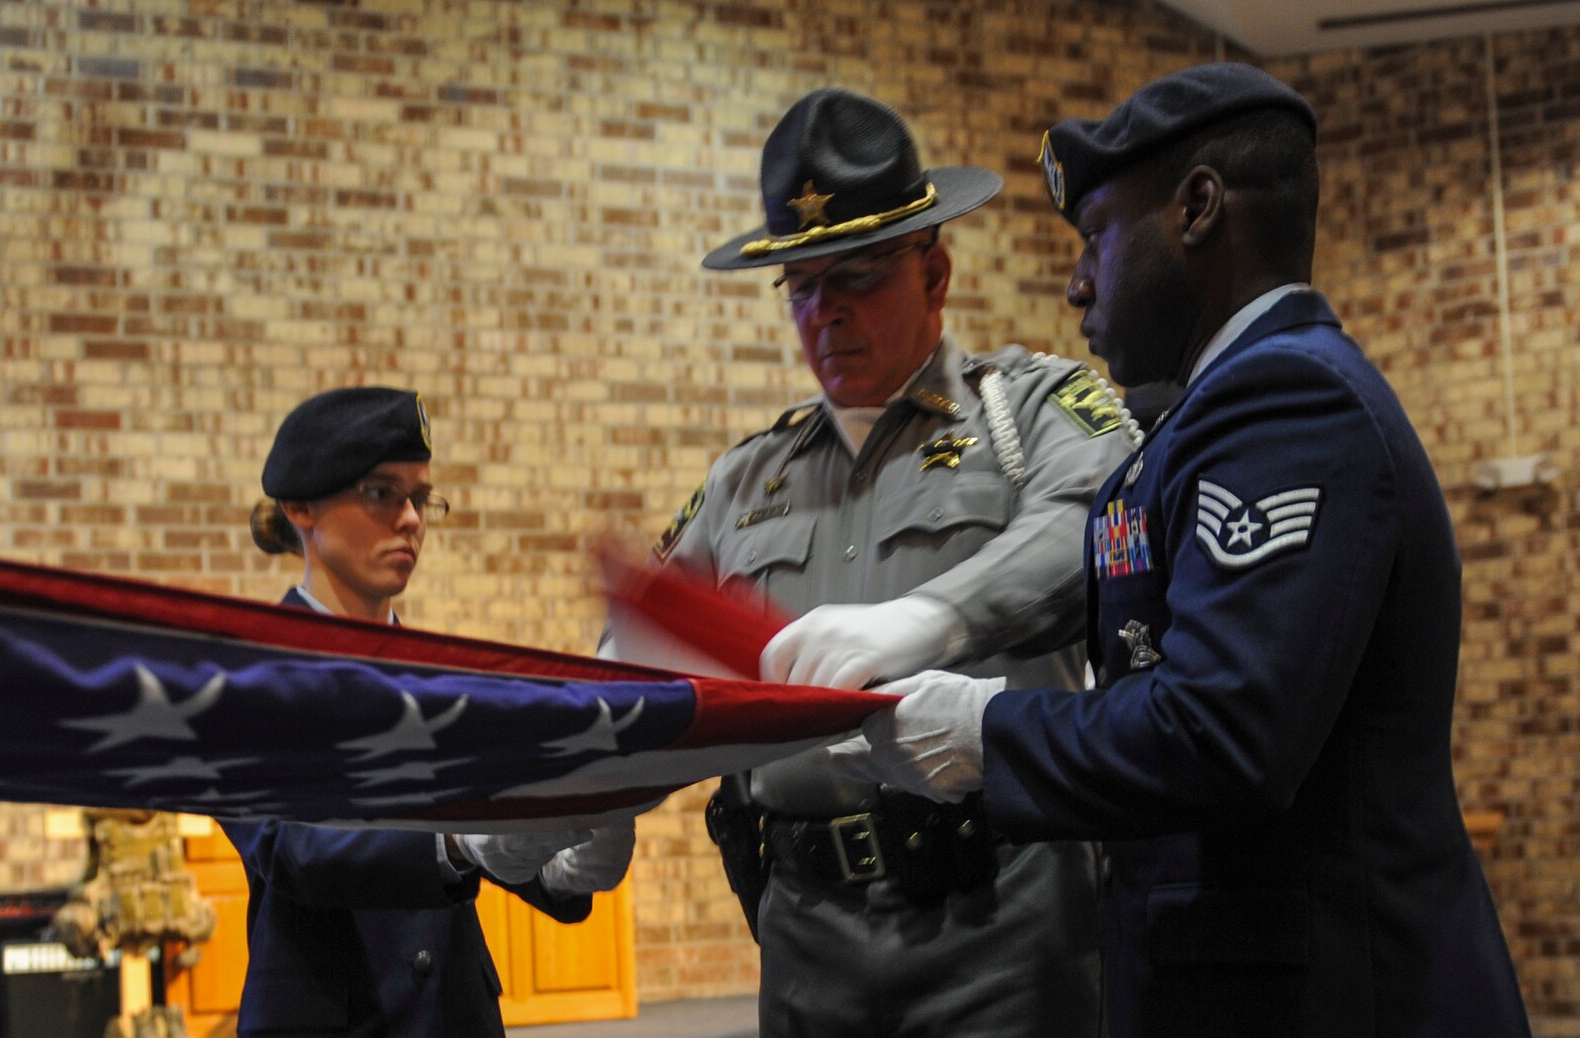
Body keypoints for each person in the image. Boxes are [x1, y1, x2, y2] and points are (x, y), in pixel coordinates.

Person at [834, 64, 1532, 1036]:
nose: (1076, 283)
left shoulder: (1285, 404)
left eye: (1094, 237)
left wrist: (980, 733)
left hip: (1325, 996)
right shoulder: (1209, 415)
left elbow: (1222, 731)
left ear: (1197, 209)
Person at [643, 88, 1136, 1037]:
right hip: (805, 933)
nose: (824, 312)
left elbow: (1092, 516)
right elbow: (650, 648)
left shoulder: (1029, 412)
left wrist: (931, 619)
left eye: (856, 277)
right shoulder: (747, 480)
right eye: (801, 288)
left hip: (1000, 929)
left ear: (936, 272)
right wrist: (580, 787)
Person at [224, 386, 637, 1038]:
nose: (412, 519)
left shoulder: (440, 678)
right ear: (302, 506)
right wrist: (458, 838)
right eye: (382, 493)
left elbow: (497, 845)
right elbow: (298, 849)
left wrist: (565, 860)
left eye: (421, 498)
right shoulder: (245, 680)